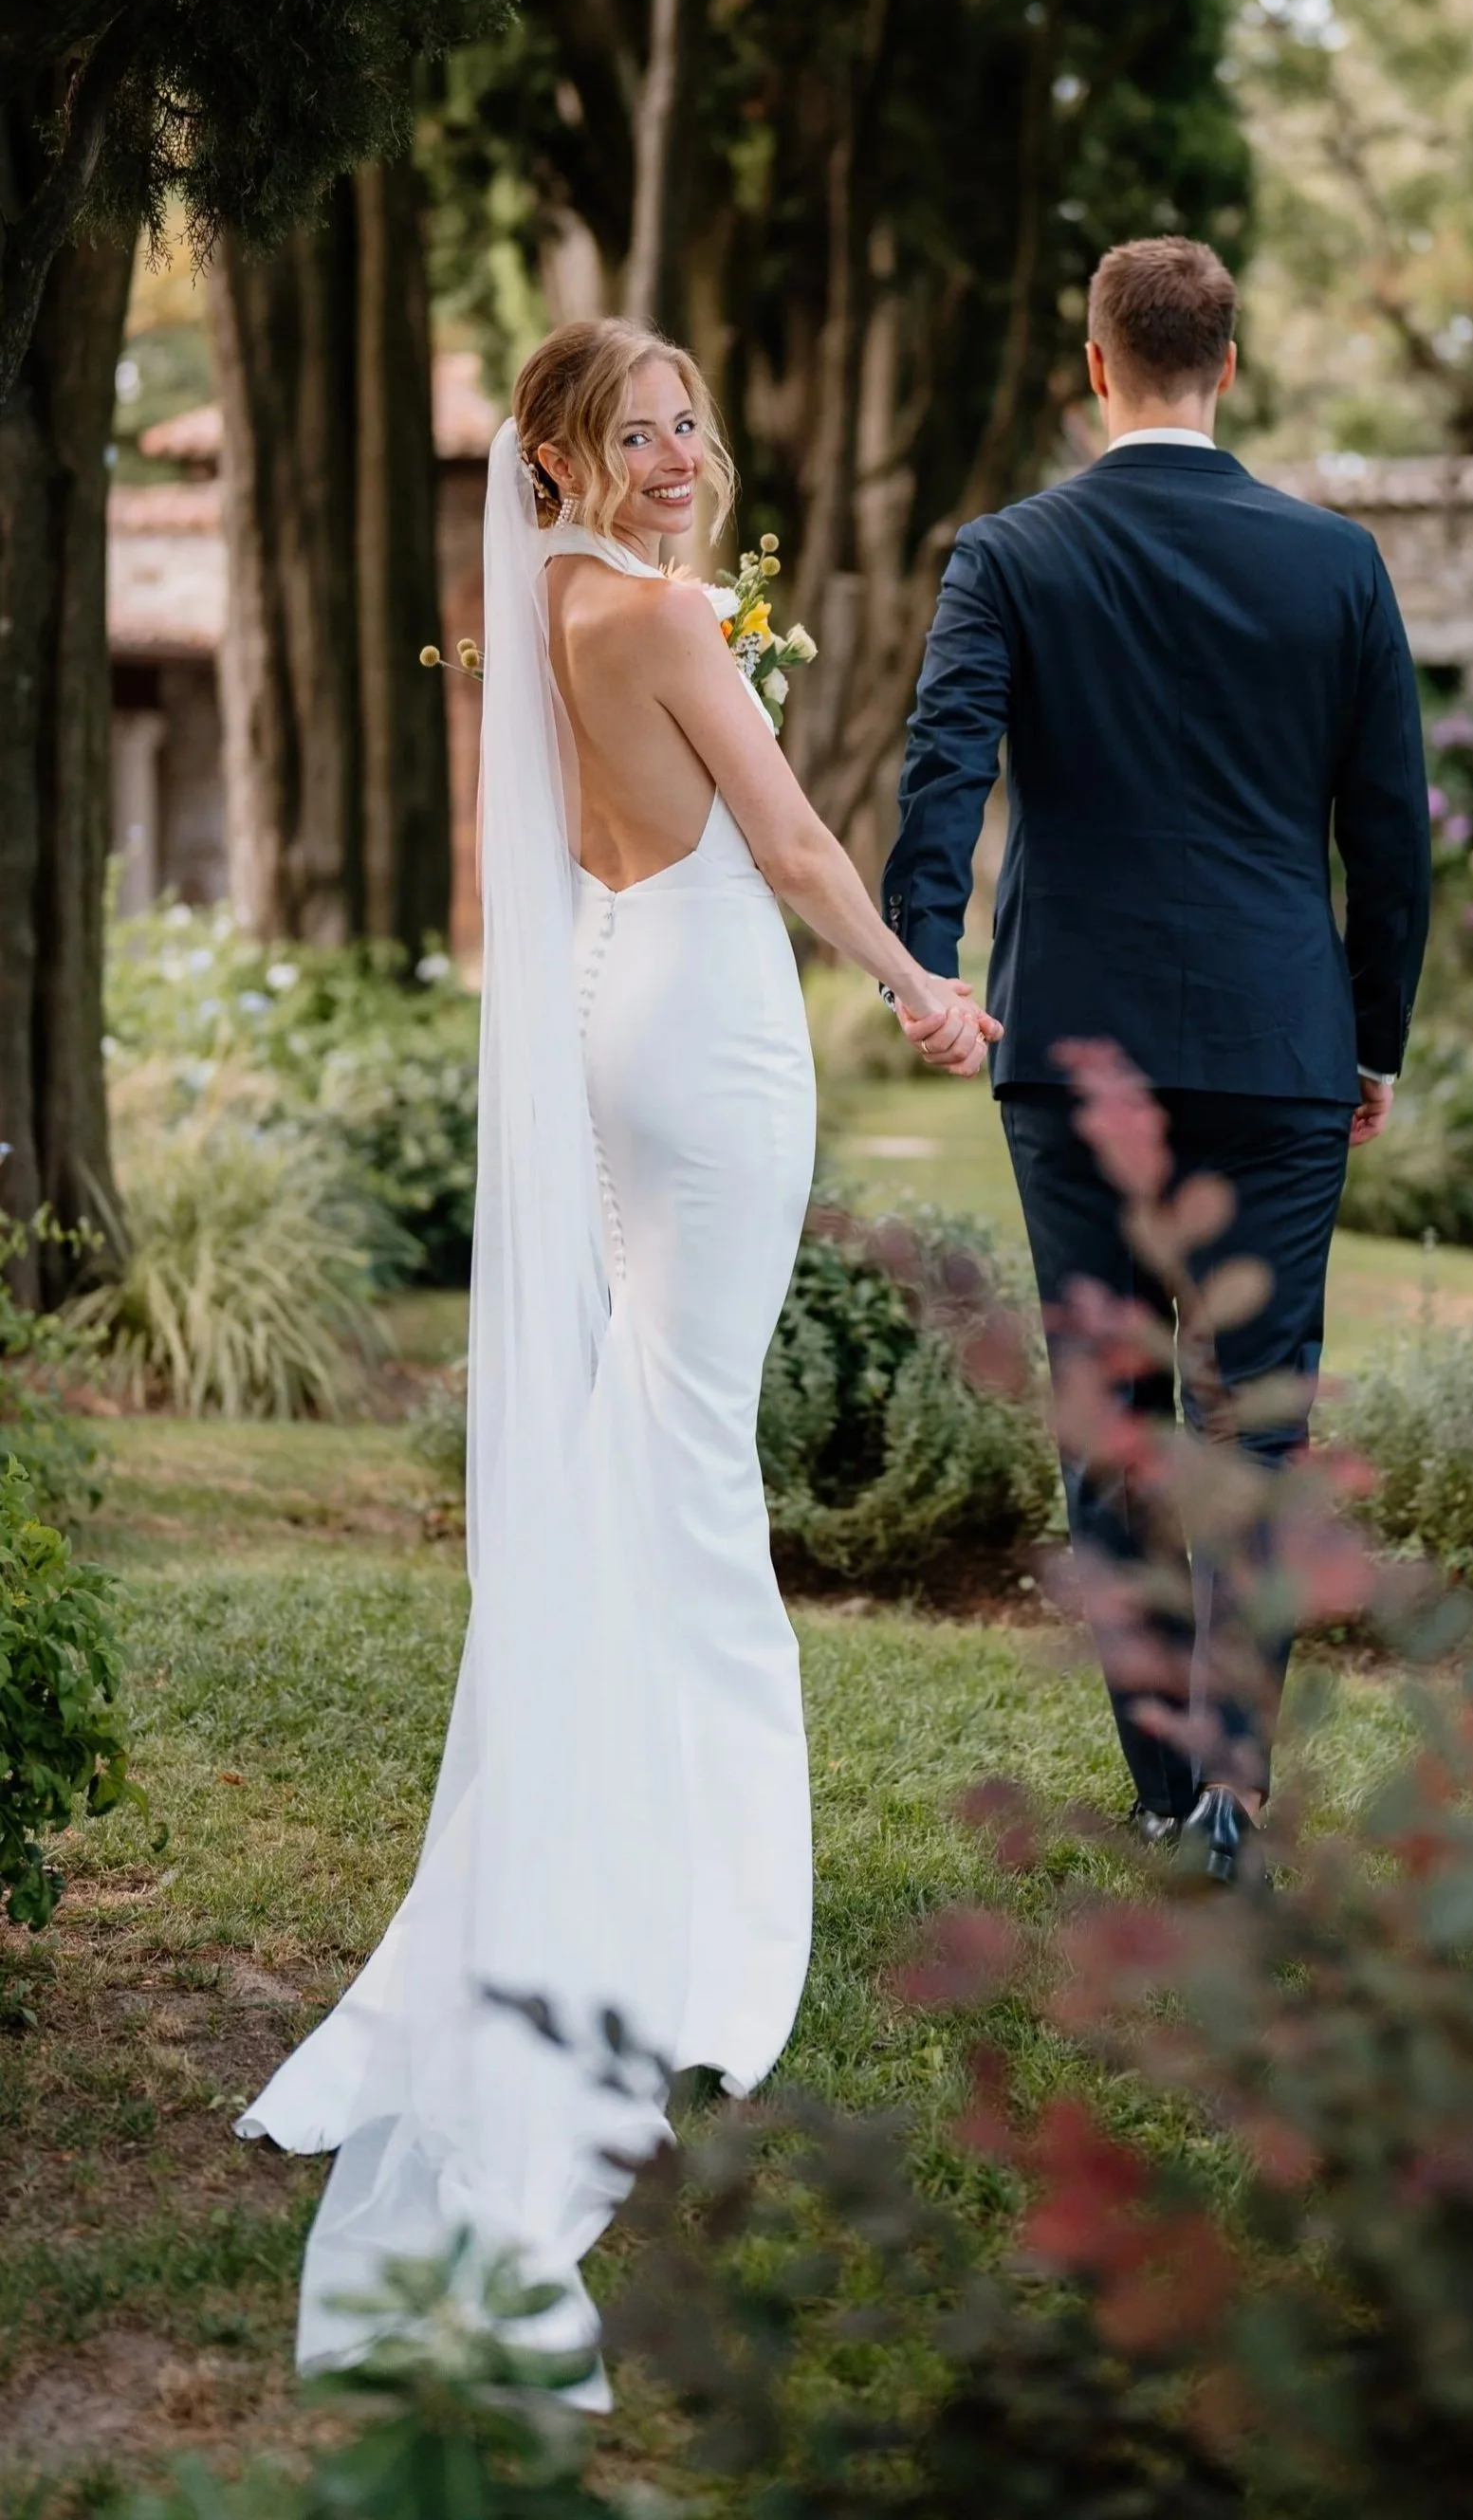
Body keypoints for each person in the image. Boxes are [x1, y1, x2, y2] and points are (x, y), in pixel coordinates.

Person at [238, 318, 994, 2392]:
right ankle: (701, 1936)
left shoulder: (555, 606)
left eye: (684, 423)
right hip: (709, 1025)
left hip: (612, 1002)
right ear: (556, 457)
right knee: (689, 1466)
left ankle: (609, 1843)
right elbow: (799, 842)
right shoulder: (660, 614)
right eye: (626, 430)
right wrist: (924, 988)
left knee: (649, 1446)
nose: (672, 453)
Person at [882, 236, 1430, 1882]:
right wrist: (1372, 1034)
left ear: (1096, 366)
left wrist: (926, 961)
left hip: (1073, 1051)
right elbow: (1388, 835)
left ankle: (1155, 1787)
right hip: (1279, 1050)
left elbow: (943, 764)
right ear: (1229, 368)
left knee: (1113, 1417)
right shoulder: (1334, 563)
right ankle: (1232, 1802)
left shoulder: (1008, 552)